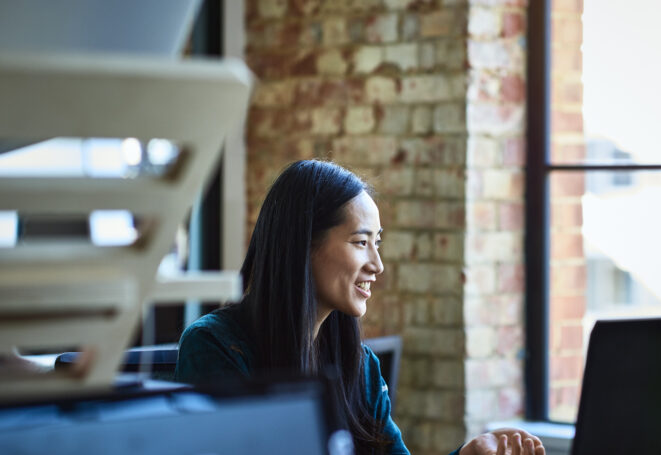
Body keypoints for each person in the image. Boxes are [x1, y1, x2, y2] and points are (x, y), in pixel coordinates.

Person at [175, 160, 544, 455]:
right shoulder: (215, 347)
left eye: (377, 243)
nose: (377, 264)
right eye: (360, 242)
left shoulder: (360, 365)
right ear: (303, 246)